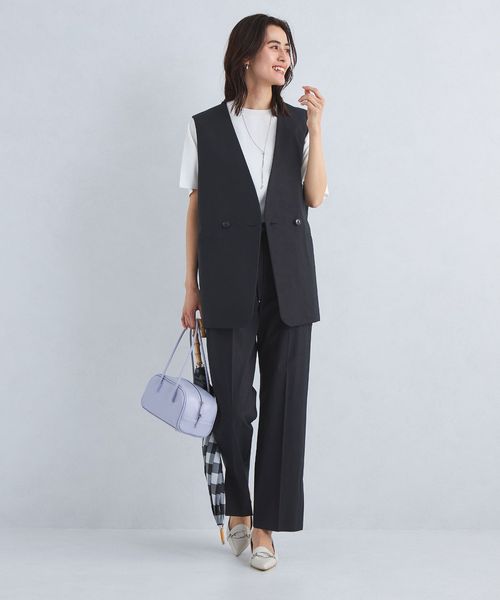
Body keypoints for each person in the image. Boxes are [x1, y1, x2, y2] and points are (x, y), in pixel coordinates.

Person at [178, 14, 328, 571]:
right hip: (227, 278)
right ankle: (238, 506)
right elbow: (195, 207)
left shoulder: (298, 124)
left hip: (290, 279)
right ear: (246, 55)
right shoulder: (205, 126)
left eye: (288, 48)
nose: (284, 56)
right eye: (274, 46)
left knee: (286, 406)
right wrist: (190, 286)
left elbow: (315, 196)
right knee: (234, 406)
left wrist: (318, 128)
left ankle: (265, 527)